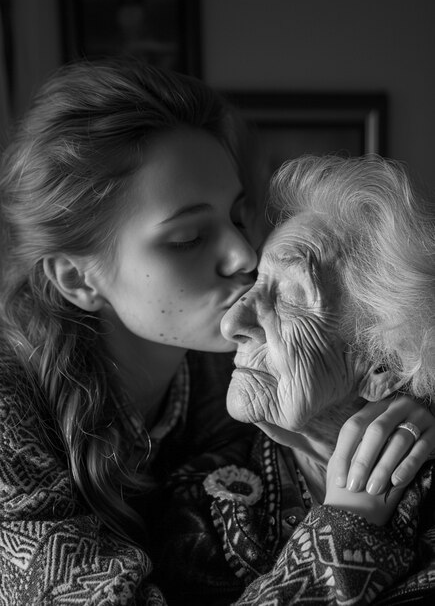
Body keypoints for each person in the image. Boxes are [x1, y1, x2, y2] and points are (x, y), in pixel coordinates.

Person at [0, 58, 432, 605]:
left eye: (235, 216)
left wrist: (409, 395)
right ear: (76, 279)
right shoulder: (11, 419)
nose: (244, 254)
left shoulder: (225, 371)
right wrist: (345, 531)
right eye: (186, 238)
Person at [217, 154, 435, 604]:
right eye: (256, 283)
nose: (231, 321)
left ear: (382, 367)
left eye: (291, 298)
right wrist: (342, 528)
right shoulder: (207, 502)